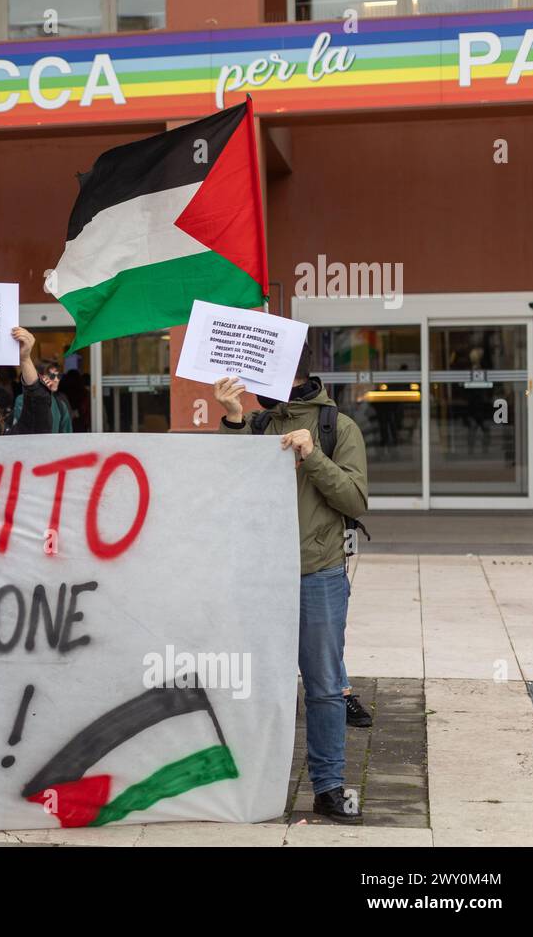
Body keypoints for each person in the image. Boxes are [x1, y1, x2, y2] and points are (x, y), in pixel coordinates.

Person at [213, 342, 369, 824]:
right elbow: (223, 485)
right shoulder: (256, 423)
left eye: (256, 372)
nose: (249, 382)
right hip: (257, 576)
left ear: (285, 370)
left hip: (316, 573)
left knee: (323, 686)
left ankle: (327, 786)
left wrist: (313, 454)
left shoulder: (337, 427)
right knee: (254, 683)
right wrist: (234, 420)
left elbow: (356, 499)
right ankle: (254, 783)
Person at [14, 360, 72, 434]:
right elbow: (20, 432)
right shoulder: (22, 400)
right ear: (40, 377)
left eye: (59, 376)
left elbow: (67, 435)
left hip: (54, 445)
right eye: (52, 376)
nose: (56, 380)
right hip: (30, 444)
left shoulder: (60, 405)